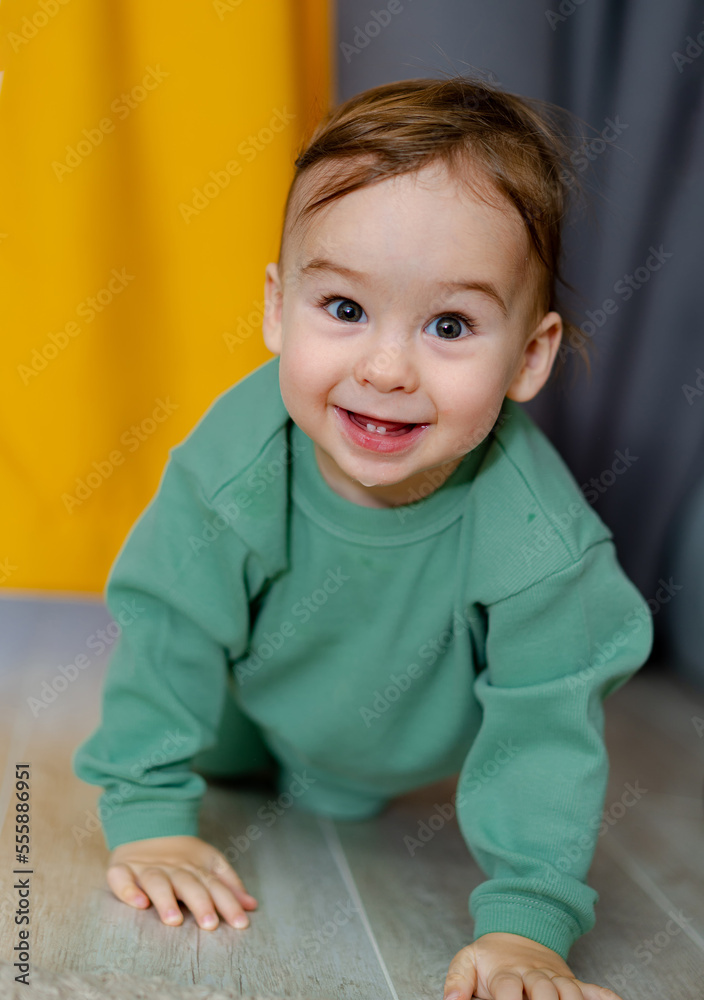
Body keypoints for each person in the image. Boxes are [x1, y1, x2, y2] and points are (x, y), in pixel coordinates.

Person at [73, 75, 652, 1000]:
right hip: (243, 707)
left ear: (530, 357)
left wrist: (527, 926)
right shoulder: (238, 461)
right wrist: (148, 813)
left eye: (450, 325)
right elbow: (170, 623)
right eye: (344, 309)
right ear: (275, 308)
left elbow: (547, 725)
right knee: (203, 721)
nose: (386, 368)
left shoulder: (540, 540)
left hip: (418, 753)